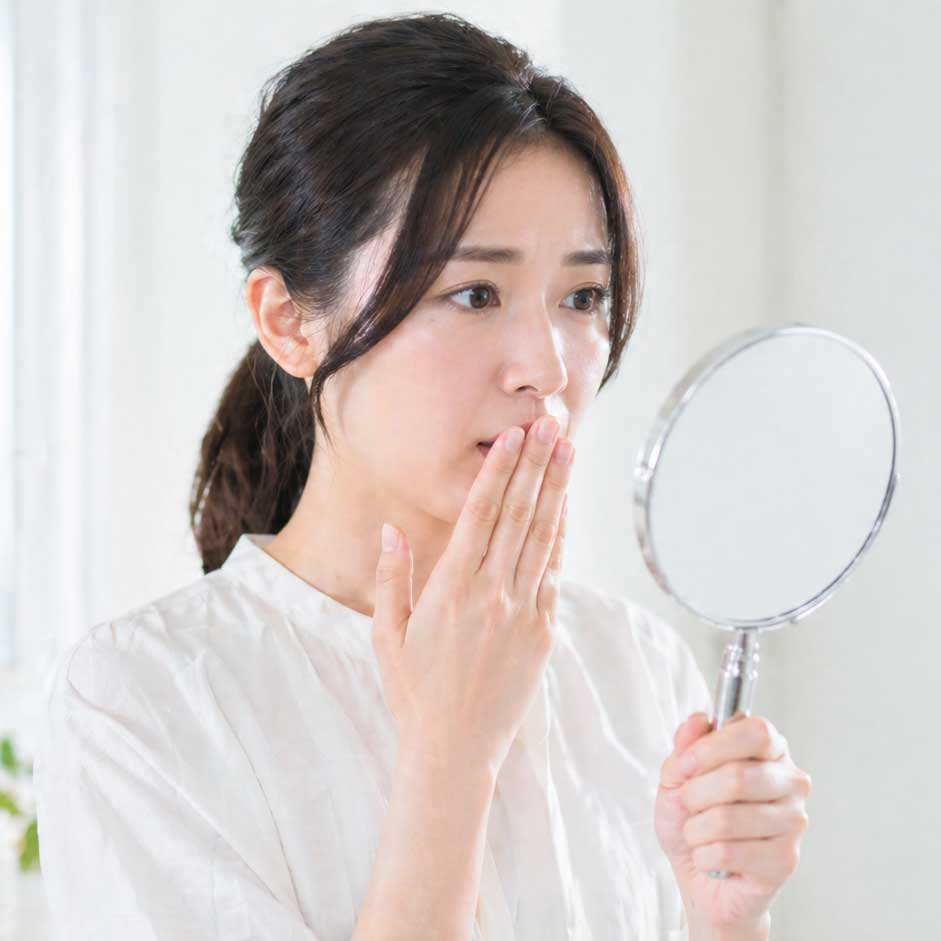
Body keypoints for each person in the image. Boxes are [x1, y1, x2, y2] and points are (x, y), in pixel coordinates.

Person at [33, 12, 810, 940]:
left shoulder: (635, 669)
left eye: (582, 296)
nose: (546, 366)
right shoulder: (143, 703)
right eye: (474, 293)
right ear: (288, 322)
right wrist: (451, 754)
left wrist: (726, 919)